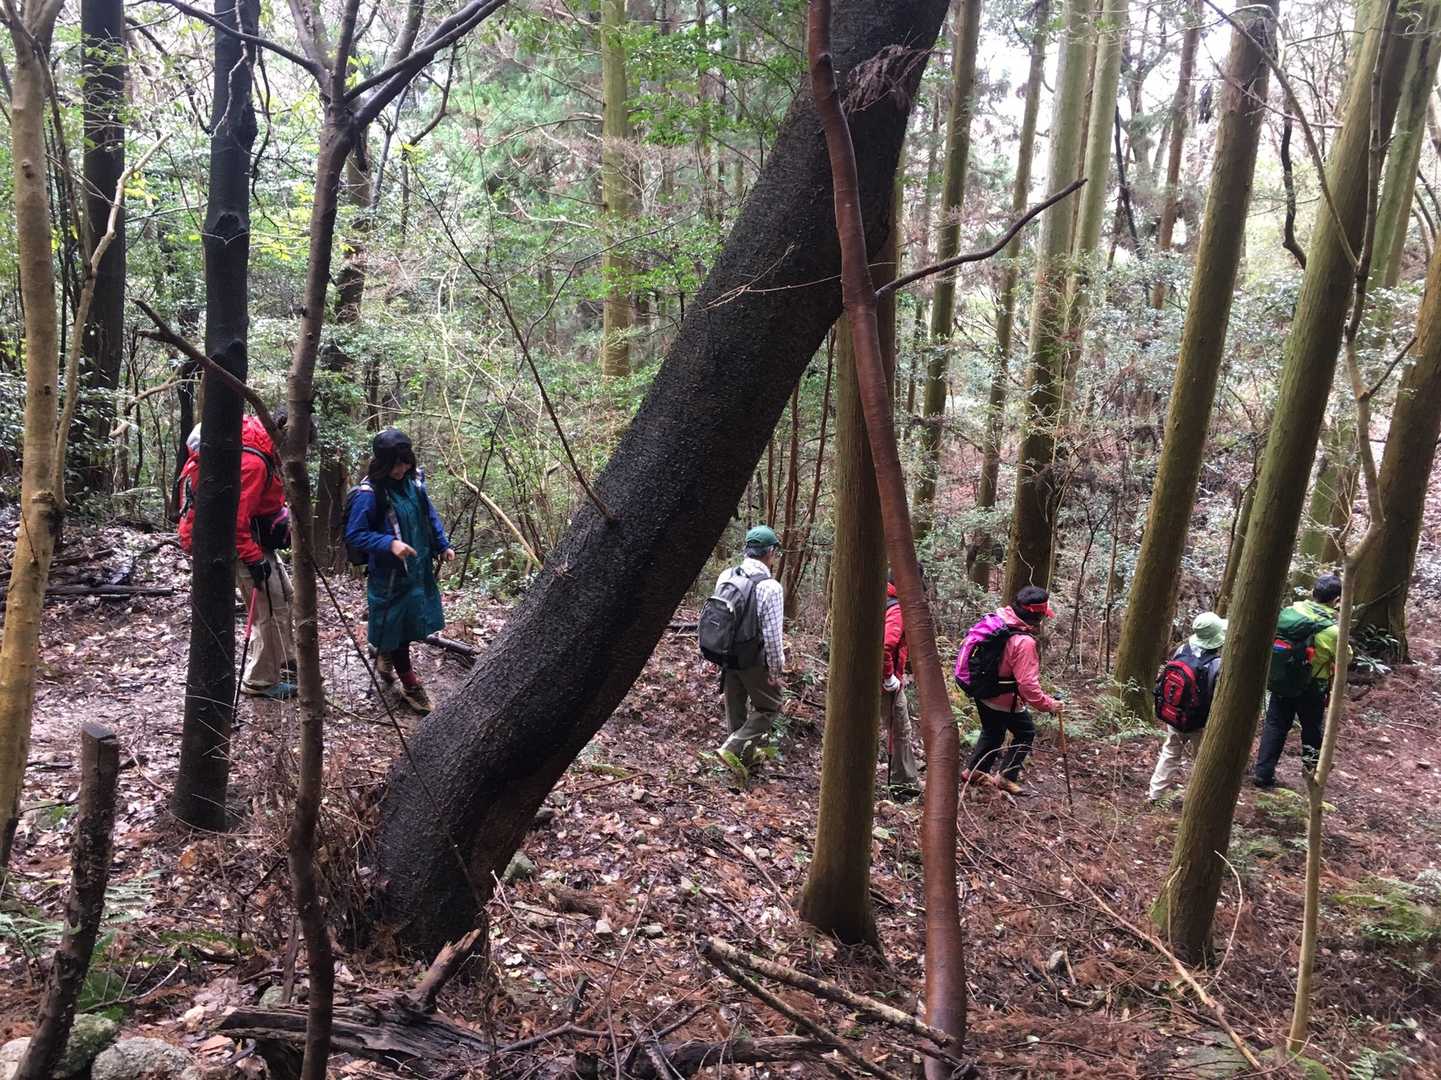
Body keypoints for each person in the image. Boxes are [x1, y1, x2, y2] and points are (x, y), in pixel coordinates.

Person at [344, 428, 455, 714]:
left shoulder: (414, 482)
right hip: (389, 575)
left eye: (405, 462)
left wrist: (442, 544)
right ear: (382, 463)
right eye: (395, 464)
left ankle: (385, 652)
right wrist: (389, 543)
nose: (401, 469)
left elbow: (428, 514)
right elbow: (355, 534)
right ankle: (410, 684)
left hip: (417, 570)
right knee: (398, 629)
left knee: (408, 623)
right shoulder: (370, 494)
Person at [954, 585, 1063, 795]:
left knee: (993, 732)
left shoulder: (998, 619)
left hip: (982, 690)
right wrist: (1049, 704)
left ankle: (973, 772)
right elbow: (1028, 686)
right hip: (1003, 698)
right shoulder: (1024, 642)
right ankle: (1005, 777)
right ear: (1037, 617)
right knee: (1025, 732)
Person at [1253, 574, 1341, 788]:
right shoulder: (1333, 631)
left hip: (1283, 678)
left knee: (1275, 725)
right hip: (1312, 686)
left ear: (1313, 592)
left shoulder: (1290, 612)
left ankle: (1263, 774)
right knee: (1311, 728)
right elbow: (1345, 657)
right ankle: (1311, 773)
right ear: (1337, 600)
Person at [710, 525, 786, 766]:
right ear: (770, 552)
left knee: (736, 709)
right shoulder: (770, 587)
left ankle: (741, 763)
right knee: (770, 706)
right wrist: (775, 670)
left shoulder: (727, 575)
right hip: (753, 658)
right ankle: (730, 751)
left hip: (725, 654)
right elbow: (772, 637)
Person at [1148, 611, 1227, 803]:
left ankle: (1155, 794)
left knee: (1170, 752)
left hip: (1175, 715)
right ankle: (1199, 800)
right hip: (1199, 723)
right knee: (1202, 761)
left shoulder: (1182, 650)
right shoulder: (1217, 664)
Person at [882, 572, 920, 793]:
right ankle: (904, 784)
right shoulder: (897, 609)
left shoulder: (881, 596)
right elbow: (886, 646)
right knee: (900, 729)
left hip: (872, 676)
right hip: (885, 682)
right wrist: (889, 677)